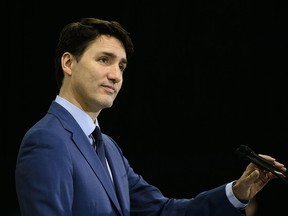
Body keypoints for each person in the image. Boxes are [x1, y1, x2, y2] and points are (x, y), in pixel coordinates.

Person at [15, 17, 287, 216]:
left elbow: (163, 211)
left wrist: (238, 192)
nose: (116, 75)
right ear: (68, 63)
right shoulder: (46, 140)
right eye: (104, 60)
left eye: (121, 65)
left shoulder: (108, 147)